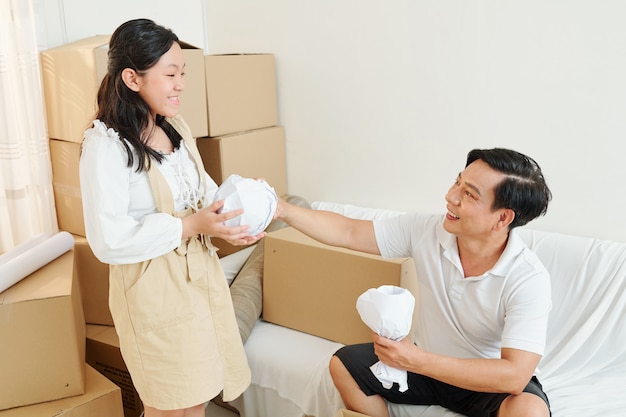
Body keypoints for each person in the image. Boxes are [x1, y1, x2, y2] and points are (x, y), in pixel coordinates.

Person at [275, 148, 553, 417]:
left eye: (468, 194)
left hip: (482, 381)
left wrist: (417, 360)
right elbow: (349, 232)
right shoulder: (426, 230)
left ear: (502, 218)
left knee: (529, 411)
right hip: (424, 369)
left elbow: (515, 376)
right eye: (457, 182)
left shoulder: (527, 277)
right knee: (344, 365)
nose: (450, 196)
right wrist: (282, 209)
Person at [79, 19, 261, 417]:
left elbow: (205, 190)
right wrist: (189, 226)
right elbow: (108, 239)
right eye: (170, 74)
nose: (181, 84)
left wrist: (237, 215)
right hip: (152, 291)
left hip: (198, 280)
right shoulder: (105, 146)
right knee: (168, 404)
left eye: (183, 74)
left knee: (197, 397)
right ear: (132, 78)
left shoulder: (175, 128)